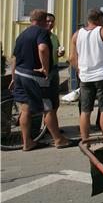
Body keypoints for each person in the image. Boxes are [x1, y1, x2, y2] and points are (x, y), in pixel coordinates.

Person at [9, 9, 73, 150]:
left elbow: (14, 58)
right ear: (43, 20)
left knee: (25, 110)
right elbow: (43, 49)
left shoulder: (22, 35)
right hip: (35, 77)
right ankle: (58, 139)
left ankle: (27, 142)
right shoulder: (41, 32)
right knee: (48, 108)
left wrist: (14, 77)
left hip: (20, 74)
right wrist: (44, 67)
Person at [70, 9, 103, 141]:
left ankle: (85, 138)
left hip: (85, 77)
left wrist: (79, 70)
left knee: (85, 110)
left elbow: (72, 58)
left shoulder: (77, 34)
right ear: (98, 19)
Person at [46, 13, 65, 133]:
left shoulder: (53, 37)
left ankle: (51, 126)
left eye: (52, 21)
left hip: (54, 69)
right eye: (48, 21)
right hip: (43, 72)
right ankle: (46, 128)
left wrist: (60, 54)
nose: (50, 23)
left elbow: (57, 51)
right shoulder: (39, 36)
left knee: (55, 102)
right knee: (45, 103)